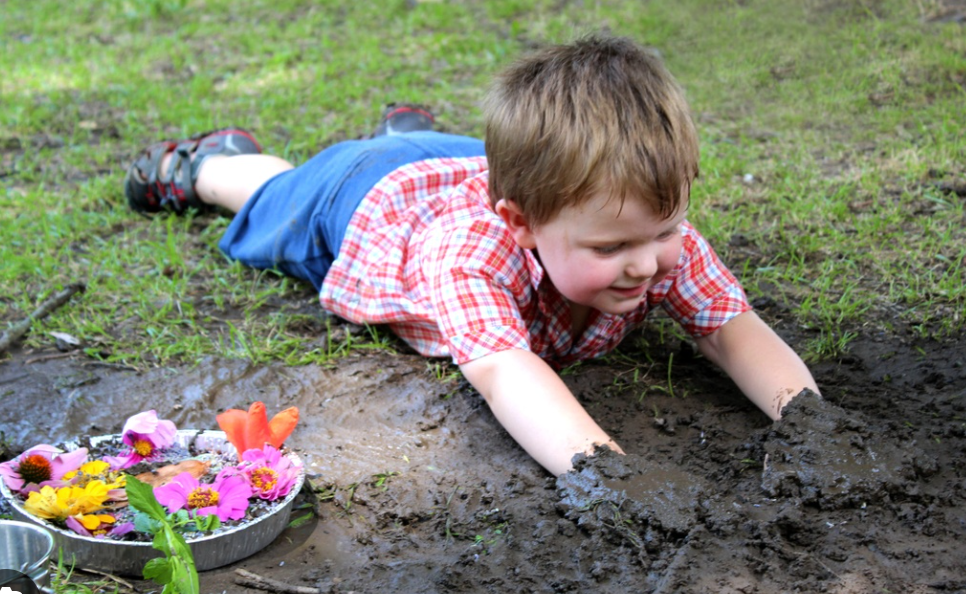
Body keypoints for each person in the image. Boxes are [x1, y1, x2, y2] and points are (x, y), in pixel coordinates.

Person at [124, 35, 820, 476]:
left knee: (467, 158)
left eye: (665, 230)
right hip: (362, 197)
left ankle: (411, 132)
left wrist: (810, 419)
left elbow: (733, 331)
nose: (648, 263)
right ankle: (210, 163)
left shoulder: (646, 233)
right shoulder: (471, 258)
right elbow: (506, 371)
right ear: (520, 223)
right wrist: (607, 474)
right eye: (613, 248)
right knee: (272, 195)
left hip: (465, 163)